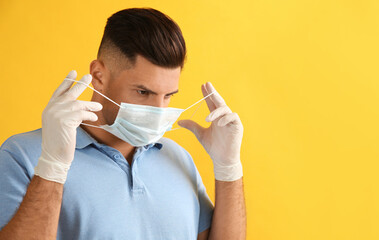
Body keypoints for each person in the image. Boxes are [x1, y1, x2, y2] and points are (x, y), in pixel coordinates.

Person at [0, 8, 246, 240]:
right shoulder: (23, 155)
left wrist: (228, 168)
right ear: (99, 76)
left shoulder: (177, 157)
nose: (159, 111)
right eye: (142, 92)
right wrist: (52, 167)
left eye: (168, 95)